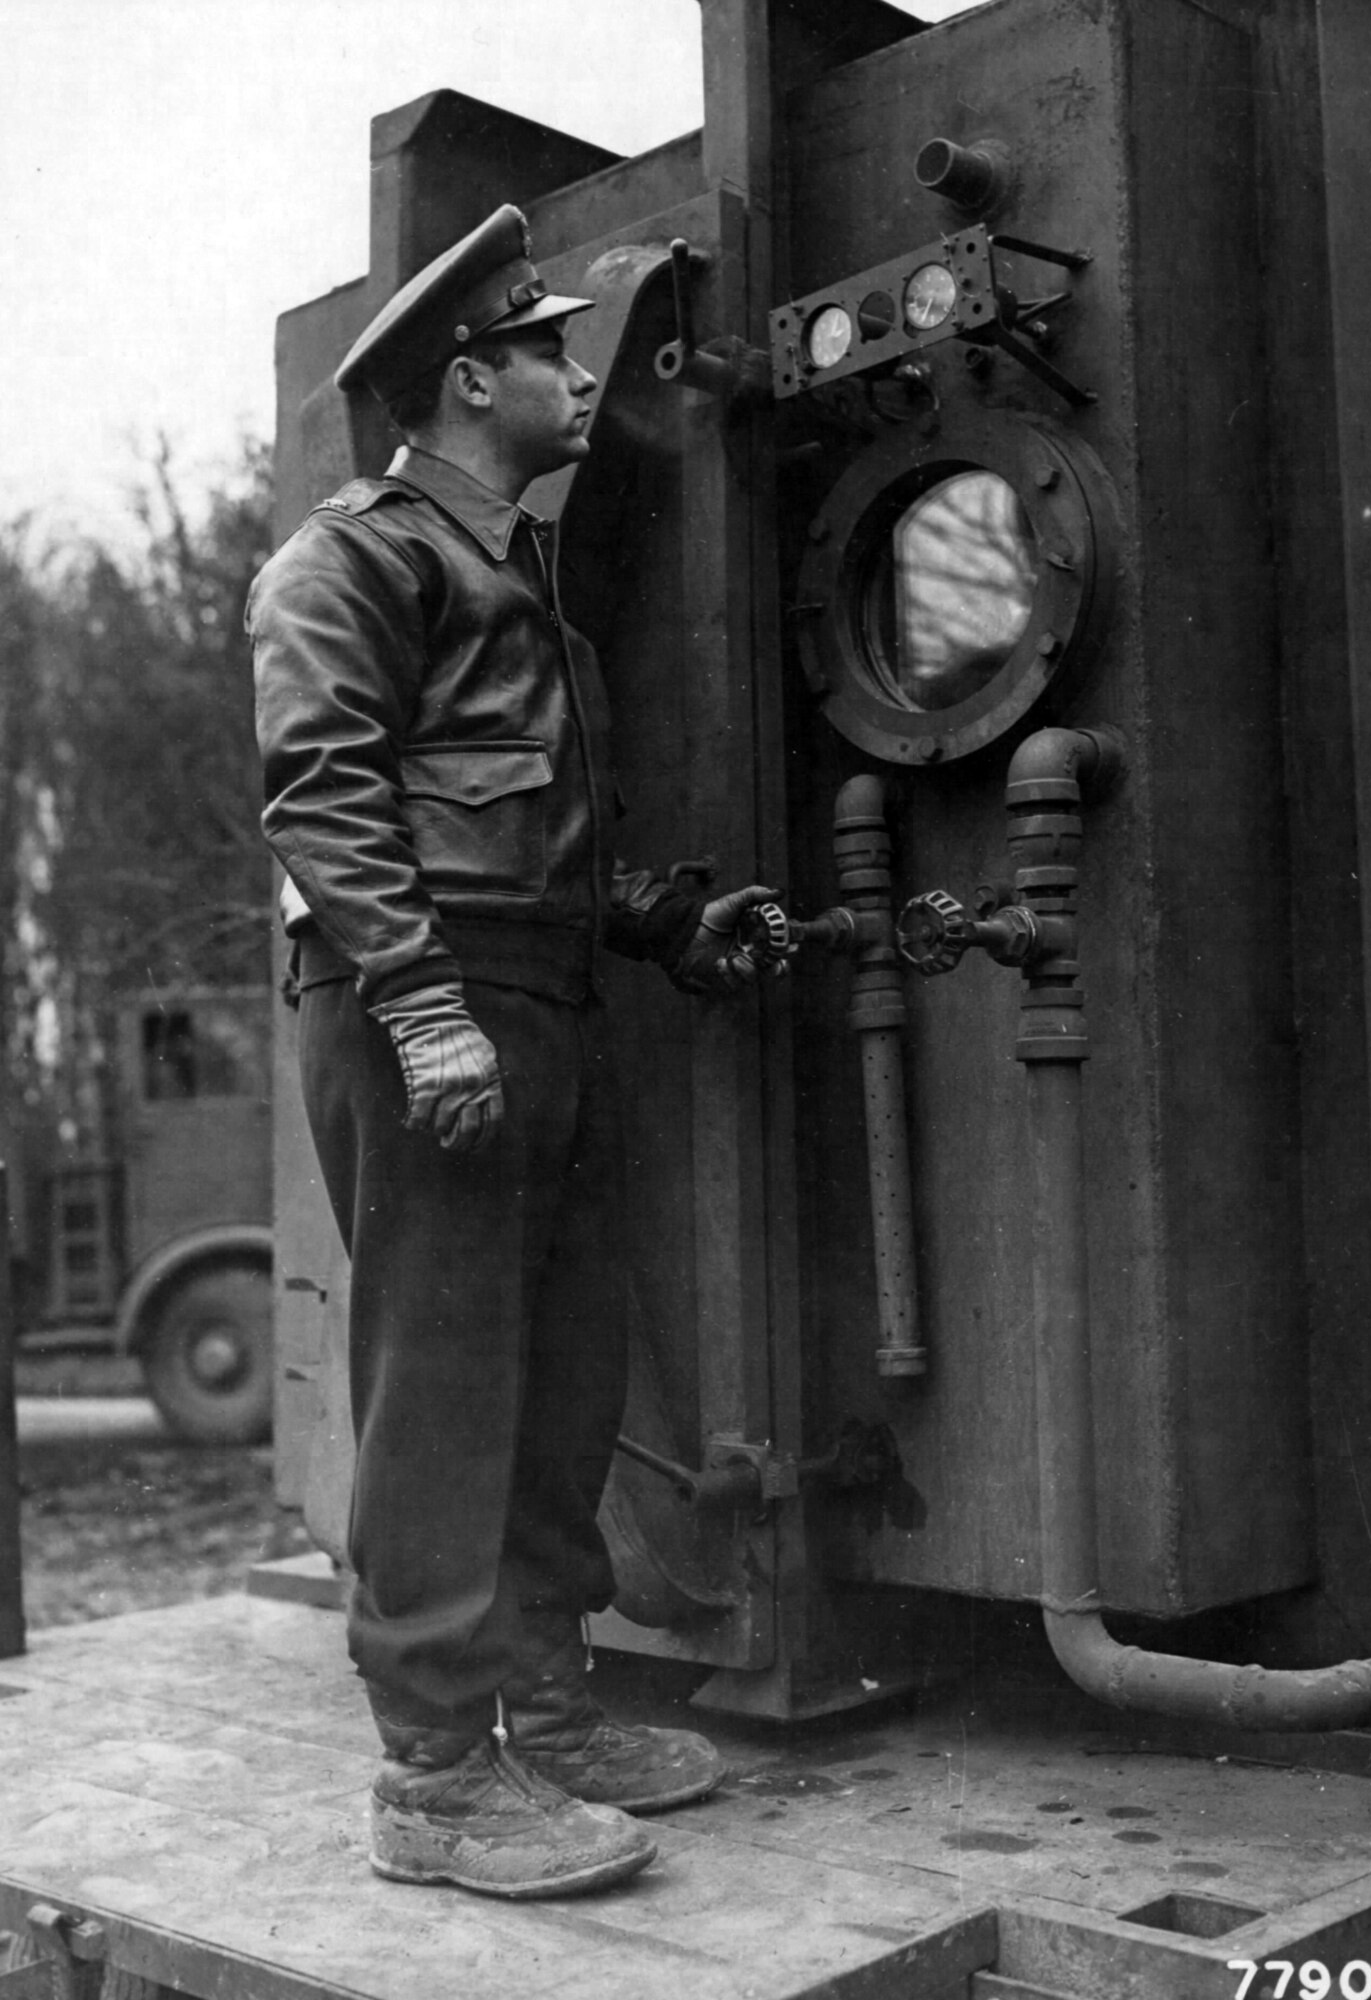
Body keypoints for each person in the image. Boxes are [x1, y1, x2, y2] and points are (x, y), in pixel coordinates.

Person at [248, 205, 775, 1900]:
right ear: (472, 381)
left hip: (534, 999)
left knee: (560, 1378)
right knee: (446, 1384)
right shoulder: (356, 554)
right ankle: (429, 1782)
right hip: (431, 1007)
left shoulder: (513, 574)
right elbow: (322, 795)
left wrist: (661, 920)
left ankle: (544, 1711)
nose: (574, 369)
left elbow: (525, 832)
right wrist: (417, 1007)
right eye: (549, 346)